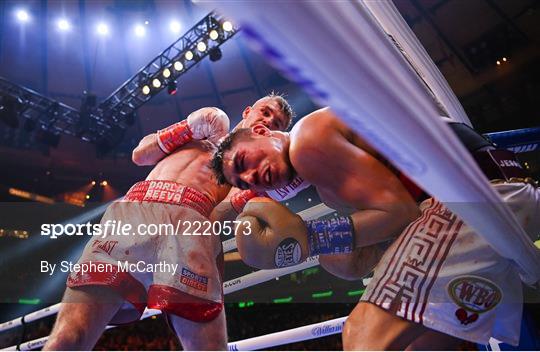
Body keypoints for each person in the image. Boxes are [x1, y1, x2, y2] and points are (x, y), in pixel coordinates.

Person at [210, 107, 540, 348]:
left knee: (363, 336)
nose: (251, 176)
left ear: (262, 133)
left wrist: (312, 238)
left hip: (470, 195)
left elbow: (400, 212)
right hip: (496, 190)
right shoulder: (330, 188)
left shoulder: (307, 142)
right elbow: (394, 230)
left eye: (243, 162)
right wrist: (319, 249)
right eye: (244, 180)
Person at [44, 93, 294, 351]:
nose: (270, 120)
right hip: (134, 213)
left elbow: (218, 218)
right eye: (266, 111)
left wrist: (252, 191)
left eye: (277, 122)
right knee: (68, 339)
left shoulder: (252, 175)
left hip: (190, 228)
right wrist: (188, 126)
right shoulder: (204, 131)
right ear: (248, 111)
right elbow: (140, 155)